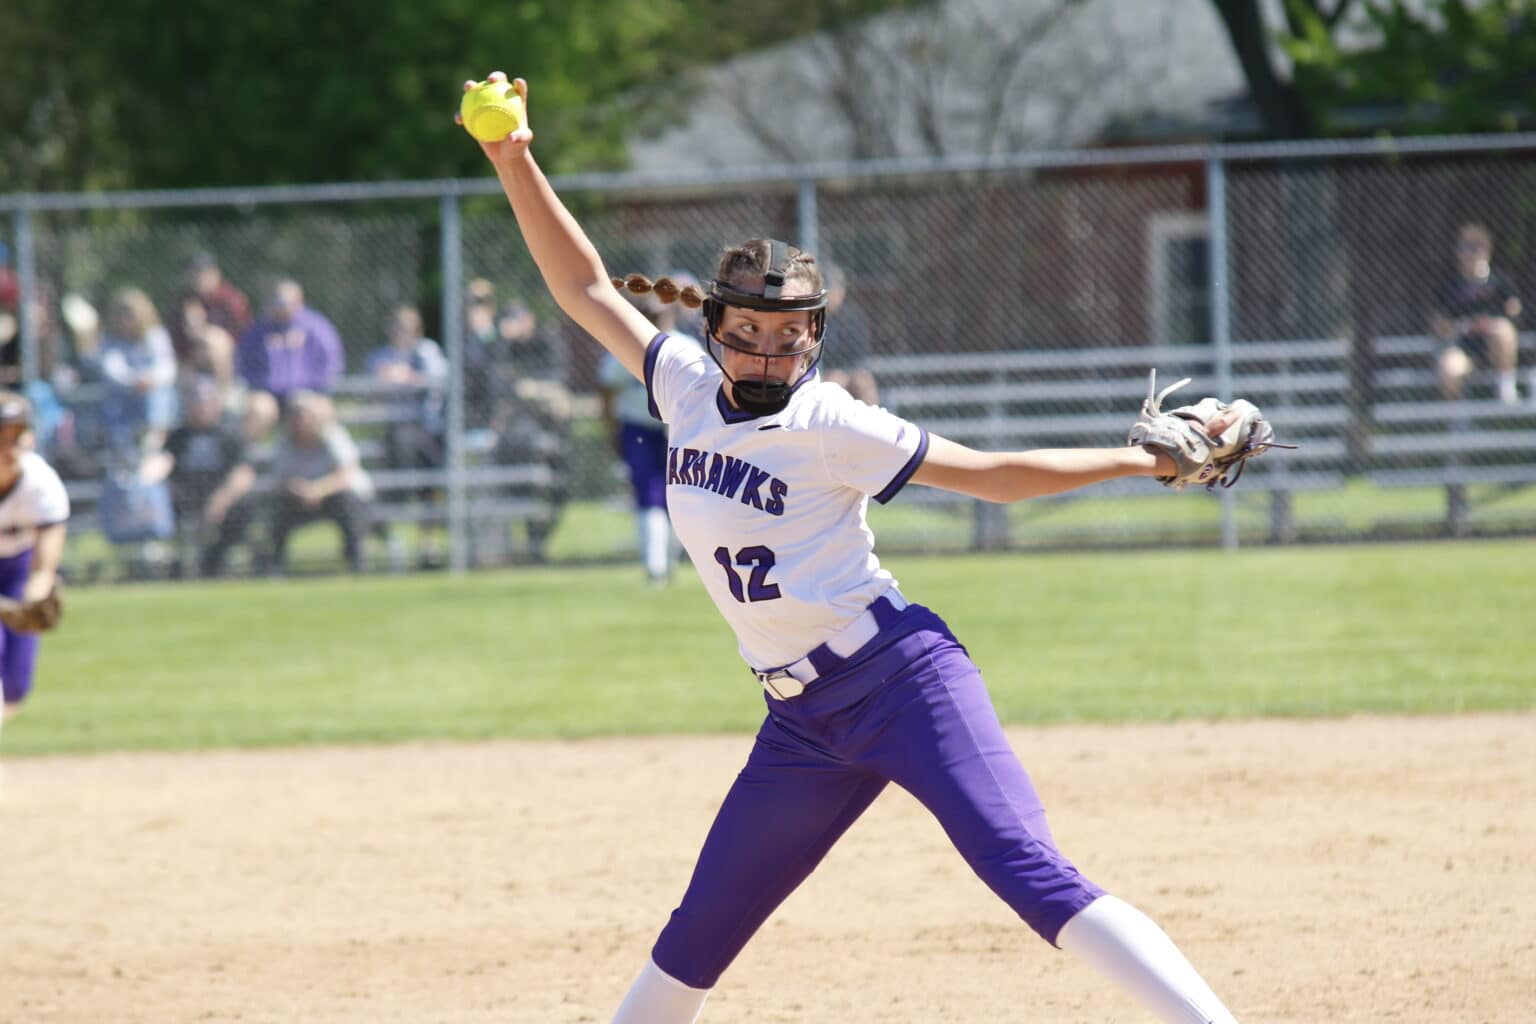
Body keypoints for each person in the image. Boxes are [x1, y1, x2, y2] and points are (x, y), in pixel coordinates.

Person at [462, 72, 1247, 1024]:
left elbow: (993, 475)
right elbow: (583, 286)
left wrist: (1138, 461)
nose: (767, 354)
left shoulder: (833, 422)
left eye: (788, 336)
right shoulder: (677, 383)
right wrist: (514, 158)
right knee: (699, 932)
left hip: (900, 681)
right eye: (747, 332)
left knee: (1027, 873)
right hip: (801, 723)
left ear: (815, 341)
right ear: (712, 330)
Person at [598, 290, 698, 585]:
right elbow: (607, 390)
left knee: (678, 496)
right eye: (650, 314)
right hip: (638, 428)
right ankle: (655, 567)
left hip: (677, 429)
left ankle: (668, 562)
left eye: (660, 313)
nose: (656, 319)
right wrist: (612, 430)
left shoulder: (686, 346)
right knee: (649, 493)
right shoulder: (628, 345)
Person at [0, 393, 69, 735]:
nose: (11, 445)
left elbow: (43, 569)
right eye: (2, 436)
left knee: (15, 686)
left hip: (18, 571)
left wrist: (30, 599)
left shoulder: (42, 484)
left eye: (18, 434)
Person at [143, 377, 258, 578]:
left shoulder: (229, 433)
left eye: (205, 401)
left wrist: (220, 501)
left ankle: (215, 560)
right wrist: (146, 477)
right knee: (162, 499)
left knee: (244, 507)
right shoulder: (178, 436)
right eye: (195, 401)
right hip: (185, 496)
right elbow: (163, 462)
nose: (200, 407)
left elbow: (244, 474)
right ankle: (177, 563)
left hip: (220, 496)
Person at [365, 304, 449, 566]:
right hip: (394, 432)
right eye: (398, 328)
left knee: (429, 476)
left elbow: (438, 380)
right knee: (397, 452)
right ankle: (387, 533)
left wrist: (409, 376)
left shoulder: (426, 351)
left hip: (426, 430)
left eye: (408, 328)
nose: (402, 333)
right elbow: (372, 393)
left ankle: (428, 544)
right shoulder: (381, 357)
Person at [266, 391, 372, 575]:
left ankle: (356, 563)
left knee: (347, 504)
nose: (301, 420)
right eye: (296, 415)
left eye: (305, 414)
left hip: (337, 495)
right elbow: (280, 479)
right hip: (300, 497)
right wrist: (297, 488)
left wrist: (319, 490)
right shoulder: (286, 441)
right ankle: (274, 566)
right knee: (278, 507)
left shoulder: (333, 435)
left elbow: (347, 473)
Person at [1428, 222, 1528, 403]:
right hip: (1464, 345)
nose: (1470, 254)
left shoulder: (1500, 281)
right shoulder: (1449, 287)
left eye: (1475, 248)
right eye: (1465, 248)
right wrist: (1466, 325)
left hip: (1495, 346)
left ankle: (1506, 391)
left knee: (1502, 330)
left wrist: (1491, 322)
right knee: (1449, 368)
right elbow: (1438, 324)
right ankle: (1458, 420)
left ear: (1486, 251)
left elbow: (1514, 310)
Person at [235, 278, 345, 441]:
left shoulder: (317, 326)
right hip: (270, 395)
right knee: (257, 409)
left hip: (310, 392)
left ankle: (329, 463)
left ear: (299, 301)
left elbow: (332, 362)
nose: (282, 307)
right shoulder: (259, 330)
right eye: (277, 302)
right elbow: (244, 363)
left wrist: (317, 388)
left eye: (286, 302)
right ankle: (243, 462)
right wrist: (259, 385)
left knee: (320, 412)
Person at [97, 287, 179, 455]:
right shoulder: (110, 339)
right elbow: (111, 369)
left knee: (158, 395)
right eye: (122, 314)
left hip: (151, 390)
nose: (126, 320)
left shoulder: (155, 335)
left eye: (131, 314)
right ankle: (120, 448)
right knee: (112, 401)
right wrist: (134, 380)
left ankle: (153, 443)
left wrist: (151, 379)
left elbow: (167, 368)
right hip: (125, 393)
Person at [818, 262, 879, 404]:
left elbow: (860, 353)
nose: (833, 293)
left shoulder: (853, 316)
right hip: (822, 373)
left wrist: (846, 373)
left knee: (864, 382)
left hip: (849, 371)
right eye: (828, 288)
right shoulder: (814, 318)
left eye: (837, 288)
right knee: (833, 382)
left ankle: (869, 424)